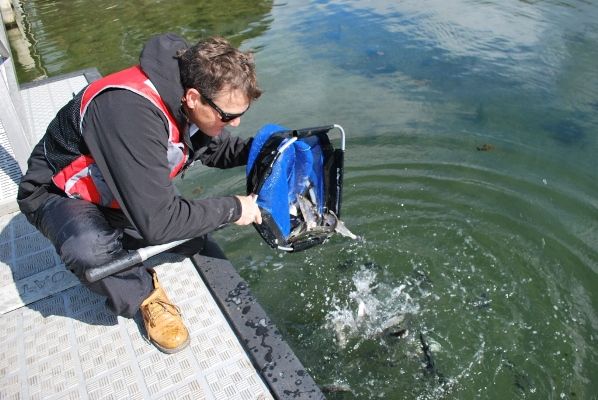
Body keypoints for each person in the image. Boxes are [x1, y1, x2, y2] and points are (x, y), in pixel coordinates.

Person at [17, 33, 263, 354]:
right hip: (60, 193)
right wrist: (234, 208)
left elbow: (215, 149)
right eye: (228, 116)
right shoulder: (130, 113)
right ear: (192, 97)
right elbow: (160, 222)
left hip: (113, 189)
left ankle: (125, 234)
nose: (235, 123)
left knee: (192, 237)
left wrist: (267, 149)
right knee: (89, 251)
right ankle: (143, 293)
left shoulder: (185, 99)